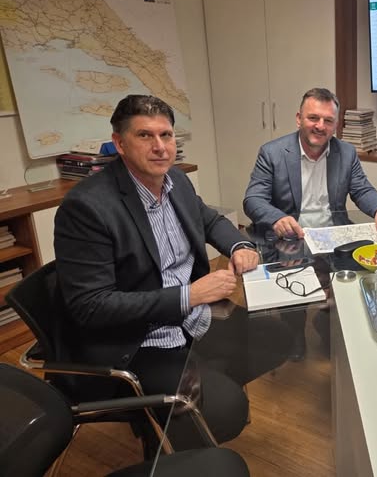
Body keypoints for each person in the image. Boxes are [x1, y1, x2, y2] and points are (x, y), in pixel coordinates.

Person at [54, 94, 291, 449]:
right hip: (137, 340)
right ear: (119, 143)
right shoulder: (87, 207)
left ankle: (184, 404)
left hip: (192, 319)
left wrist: (240, 246)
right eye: (145, 135)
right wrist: (190, 295)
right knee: (227, 409)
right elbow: (91, 306)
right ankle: (171, 426)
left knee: (278, 338)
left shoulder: (176, 181)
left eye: (166, 135)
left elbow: (209, 219)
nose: (160, 147)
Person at [243, 87, 377, 238]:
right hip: (290, 238)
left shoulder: (346, 153)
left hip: (334, 236)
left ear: (336, 125)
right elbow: (254, 199)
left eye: (328, 120)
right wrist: (277, 219)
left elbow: (362, 190)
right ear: (299, 119)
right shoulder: (272, 153)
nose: (320, 126)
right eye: (313, 118)